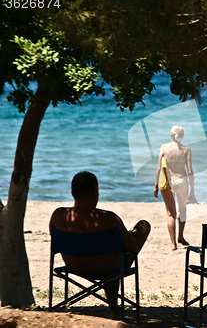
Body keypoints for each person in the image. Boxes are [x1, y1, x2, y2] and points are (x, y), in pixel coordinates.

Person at [49, 171, 151, 320]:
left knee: (111, 254)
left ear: (72, 192)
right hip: (108, 267)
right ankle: (115, 311)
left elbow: (55, 241)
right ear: (95, 192)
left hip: (74, 266)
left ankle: (114, 310)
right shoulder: (110, 219)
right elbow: (133, 248)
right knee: (142, 227)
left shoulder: (58, 216)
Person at [154, 125, 195, 251]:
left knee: (170, 213)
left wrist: (156, 184)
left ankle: (173, 244)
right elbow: (189, 171)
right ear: (182, 136)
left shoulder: (164, 147)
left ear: (171, 135)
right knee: (182, 211)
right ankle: (180, 236)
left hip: (167, 183)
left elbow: (159, 168)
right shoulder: (186, 150)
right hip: (181, 181)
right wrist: (193, 189)